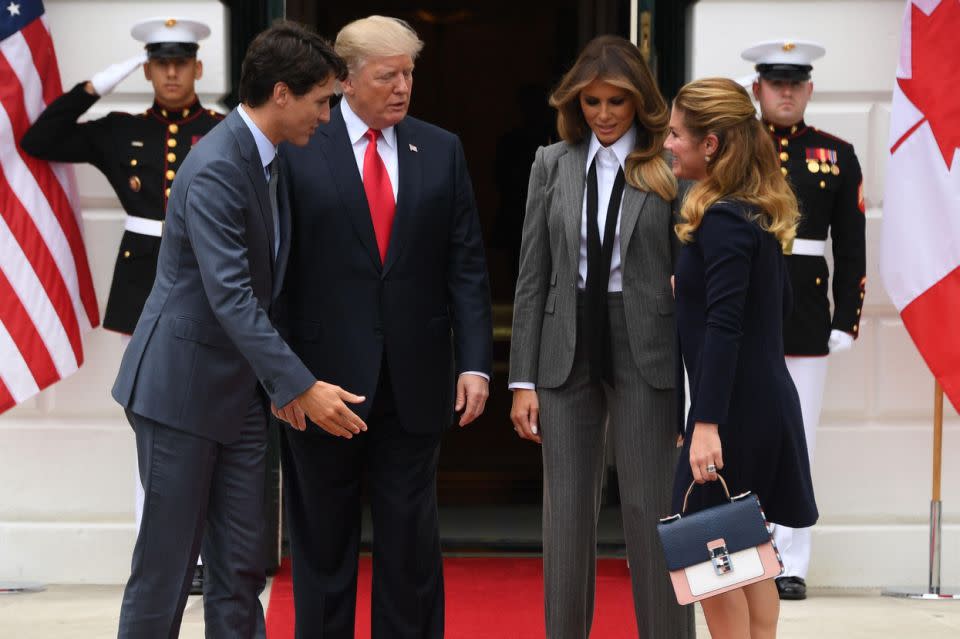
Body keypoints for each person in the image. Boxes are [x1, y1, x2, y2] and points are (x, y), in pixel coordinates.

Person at [110, 22, 364, 638]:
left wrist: (276, 386)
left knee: (241, 569)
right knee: (167, 569)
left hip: (242, 397)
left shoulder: (267, 158)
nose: (329, 117)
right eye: (323, 100)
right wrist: (298, 386)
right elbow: (231, 297)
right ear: (282, 93)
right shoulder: (219, 164)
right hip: (180, 393)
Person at [276, 15, 492, 638]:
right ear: (345, 81)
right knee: (322, 543)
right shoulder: (299, 145)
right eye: (387, 75)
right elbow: (277, 272)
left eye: (409, 73)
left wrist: (474, 362)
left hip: (416, 380)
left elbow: (466, 265)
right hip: (321, 384)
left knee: (411, 545)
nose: (402, 87)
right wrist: (284, 378)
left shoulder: (440, 147)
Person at [20, 16, 223, 594]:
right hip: (144, 286)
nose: (172, 72)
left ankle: (207, 556)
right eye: (160, 62)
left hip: (210, 281)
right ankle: (161, 554)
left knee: (209, 416)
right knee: (153, 419)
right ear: (148, 68)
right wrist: (100, 83)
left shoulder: (222, 129)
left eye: (181, 61)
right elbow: (41, 139)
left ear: (198, 67)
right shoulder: (120, 130)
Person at [508, 35, 693, 639]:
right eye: (592, 102)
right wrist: (522, 379)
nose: (606, 114)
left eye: (618, 101)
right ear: (575, 103)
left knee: (650, 510)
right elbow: (533, 275)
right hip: (565, 345)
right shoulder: (550, 163)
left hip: (647, 344)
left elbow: (690, 275)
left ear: (640, 102)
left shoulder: (668, 166)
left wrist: (698, 388)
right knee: (565, 513)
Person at [664, 77, 819, 639]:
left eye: (677, 134)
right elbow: (772, 312)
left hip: (731, 415)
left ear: (711, 144)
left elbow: (725, 327)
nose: (668, 144)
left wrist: (704, 423)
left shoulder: (724, 219)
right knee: (746, 551)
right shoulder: (752, 213)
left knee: (712, 564)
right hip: (758, 404)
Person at [741, 39, 866, 601]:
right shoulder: (735, 150)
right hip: (742, 311)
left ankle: (790, 560)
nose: (786, 92)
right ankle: (745, 552)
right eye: (776, 83)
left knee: (798, 438)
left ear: (809, 90)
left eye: (795, 83)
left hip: (806, 315)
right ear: (757, 89)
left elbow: (853, 244)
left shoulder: (835, 154)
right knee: (741, 435)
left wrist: (847, 317)